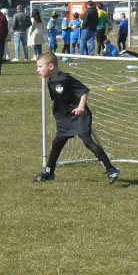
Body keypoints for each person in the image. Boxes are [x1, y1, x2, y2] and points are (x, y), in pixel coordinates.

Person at [33, 52, 119, 184]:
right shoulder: (50, 80)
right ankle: (48, 173)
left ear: (51, 66)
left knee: (88, 142)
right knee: (56, 145)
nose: (38, 69)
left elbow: (84, 91)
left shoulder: (65, 79)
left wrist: (81, 107)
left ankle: (111, 169)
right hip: (65, 119)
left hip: (78, 116)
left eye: (40, 66)